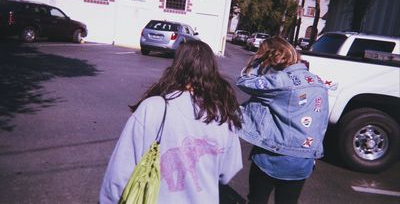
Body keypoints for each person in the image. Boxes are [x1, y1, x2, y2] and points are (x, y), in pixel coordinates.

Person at [100, 40, 243, 204]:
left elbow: (119, 172)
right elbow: (228, 172)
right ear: (211, 70)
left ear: (177, 66)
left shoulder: (153, 108)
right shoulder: (222, 115)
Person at [236, 36, 329, 204]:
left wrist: (257, 63)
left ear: (271, 57)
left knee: (257, 200)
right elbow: (321, 121)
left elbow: (244, 82)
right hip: (304, 160)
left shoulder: (279, 82)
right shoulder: (318, 81)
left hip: (272, 157)